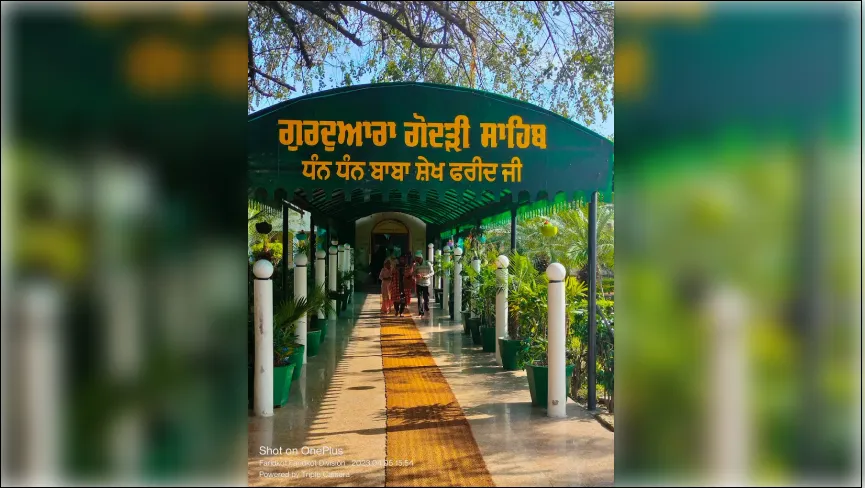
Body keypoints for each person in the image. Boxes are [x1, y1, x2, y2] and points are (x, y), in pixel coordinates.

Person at [413, 251, 434, 317]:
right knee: (419, 298)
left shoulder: (428, 264)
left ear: (420, 258)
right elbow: (413, 274)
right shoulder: (415, 265)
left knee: (426, 297)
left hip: (426, 283)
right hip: (418, 283)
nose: (416, 260)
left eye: (417, 258)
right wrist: (416, 275)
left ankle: (426, 308)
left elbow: (432, 272)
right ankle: (420, 312)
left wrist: (427, 276)